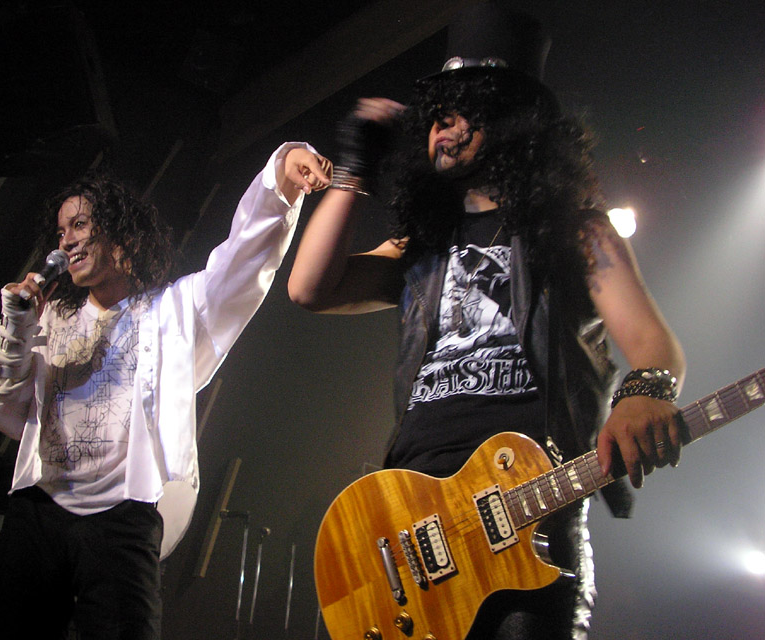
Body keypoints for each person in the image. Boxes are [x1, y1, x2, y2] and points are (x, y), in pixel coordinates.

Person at [288, 5, 685, 639]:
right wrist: (354, 170)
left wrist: (644, 393)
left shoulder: (576, 231)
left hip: (528, 513)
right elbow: (310, 288)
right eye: (435, 116)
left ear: (508, 118)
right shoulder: (420, 246)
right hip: (414, 516)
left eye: (459, 112)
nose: (440, 128)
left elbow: (651, 343)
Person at [0, 142, 332, 640]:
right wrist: (17, 328)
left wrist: (282, 181)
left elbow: (241, 262)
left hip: (122, 519)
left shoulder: (174, 311)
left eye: (79, 225)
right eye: (61, 231)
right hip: (38, 511)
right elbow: (3, 406)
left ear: (121, 235)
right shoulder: (51, 317)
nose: (66, 241)